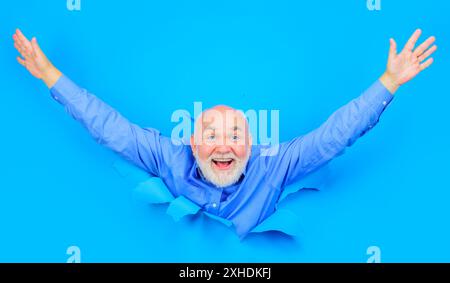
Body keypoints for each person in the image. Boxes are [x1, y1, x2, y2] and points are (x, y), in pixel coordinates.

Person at [12, 28, 437, 237]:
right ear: (192, 143)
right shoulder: (168, 157)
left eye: (235, 134)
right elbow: (110, 129)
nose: (223, 144)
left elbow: (332, 137)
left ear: (250, 147)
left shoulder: (275, 166)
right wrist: (49, 74)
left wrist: (389, 82)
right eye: (211, 134)